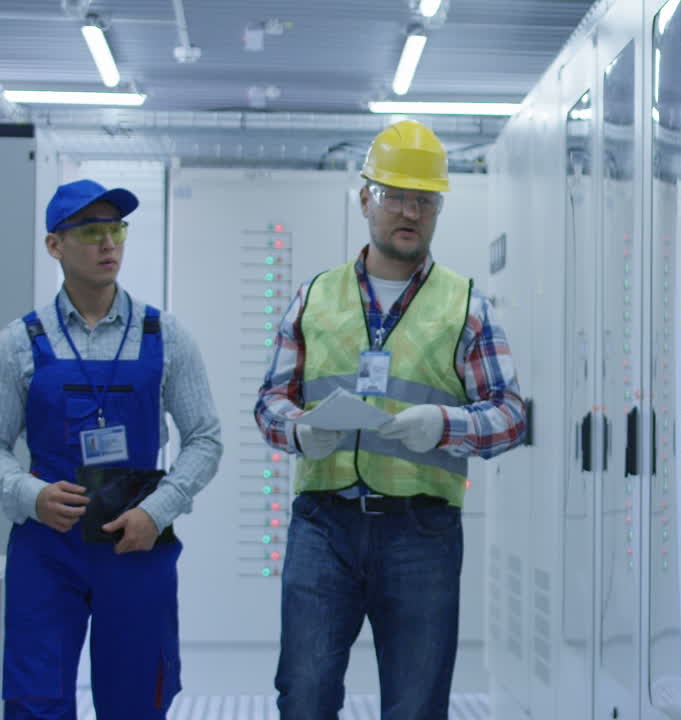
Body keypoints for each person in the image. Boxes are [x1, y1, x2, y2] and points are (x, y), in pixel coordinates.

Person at [255, 120, 527, 720]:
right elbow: (270, 401)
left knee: (415, 703)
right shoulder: (314, 296)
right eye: (395, 195)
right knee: (305, 695)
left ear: (438, 209)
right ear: (364, 199)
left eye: (425, 200)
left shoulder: (465, 305)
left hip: (420, 532)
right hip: (323, 524)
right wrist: (299, 429)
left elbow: (509, 416)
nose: (410, 211)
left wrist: (446, 425)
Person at [0, 179, 223, 718]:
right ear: (54, 245)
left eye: (117, 230)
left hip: (136, 544)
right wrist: (29, 495)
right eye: (92, 231)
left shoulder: (165, 335)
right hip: (47, 548)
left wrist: (157, 510)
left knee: (136, 701)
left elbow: (205, 439)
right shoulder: (18, 342)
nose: (109, 245)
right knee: (36, 700)